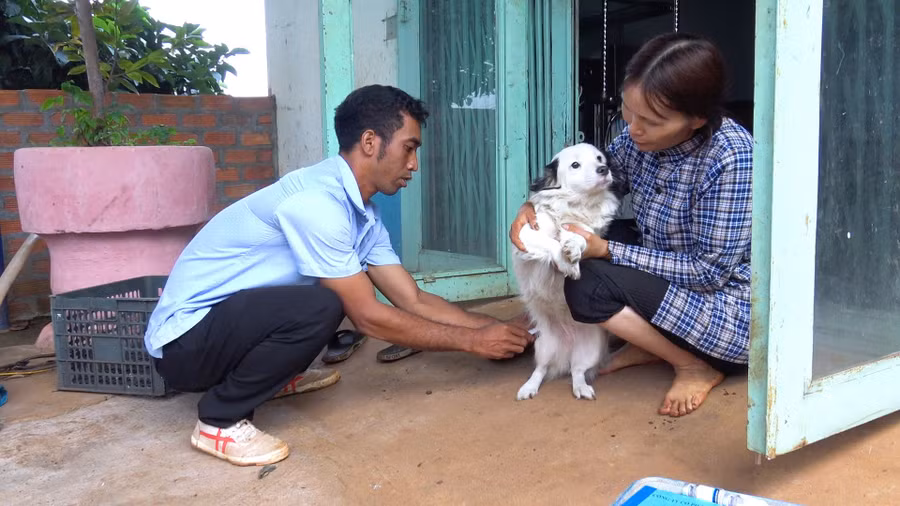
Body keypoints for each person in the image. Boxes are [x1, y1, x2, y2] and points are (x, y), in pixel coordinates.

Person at [144, 84, 532, 467]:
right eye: (409, 148)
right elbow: (368, 316)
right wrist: (473, 342)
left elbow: (411, 299)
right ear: (369, 142)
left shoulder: (362, 215)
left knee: (320, 298)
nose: (414, 164)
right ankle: (219, 419)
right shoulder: (318, 203)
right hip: (185, 345)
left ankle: (270, 378)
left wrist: (495, 329)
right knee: (323, 305)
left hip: (225, 331)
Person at [510, 33, 753, 418]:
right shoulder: (638, 140)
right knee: (574, 248)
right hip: (665, 271)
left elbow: (709, 273)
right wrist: (533, 207)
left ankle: (694, 365)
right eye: (628, 110)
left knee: (587, 283)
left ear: (697, 120)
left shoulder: (732, 159)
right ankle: (649, 341)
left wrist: (606, 250)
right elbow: (589, 183)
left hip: (725, 309)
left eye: (651, 121)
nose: (634, 129)